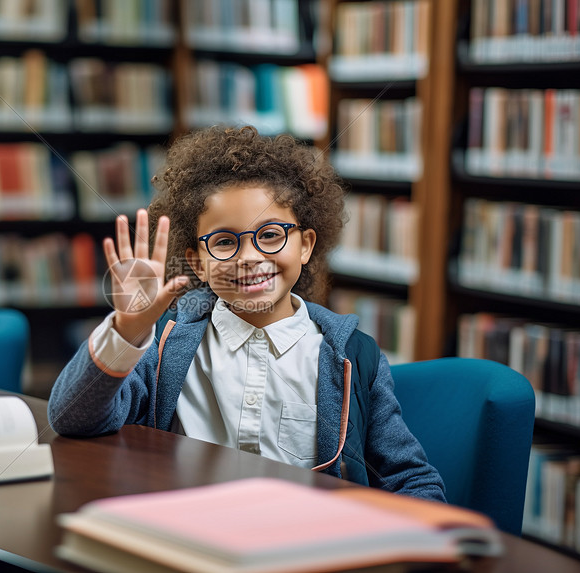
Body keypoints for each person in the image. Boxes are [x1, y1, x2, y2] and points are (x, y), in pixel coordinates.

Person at [48, 125, 446, 501]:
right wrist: (127, 330)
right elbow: (71, 416)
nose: (250, 257)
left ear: (306, 245)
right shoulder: (164, 343)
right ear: (197, 262)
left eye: (270, 235)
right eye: (224, 242)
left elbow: (409, 479)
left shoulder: (354, 357)